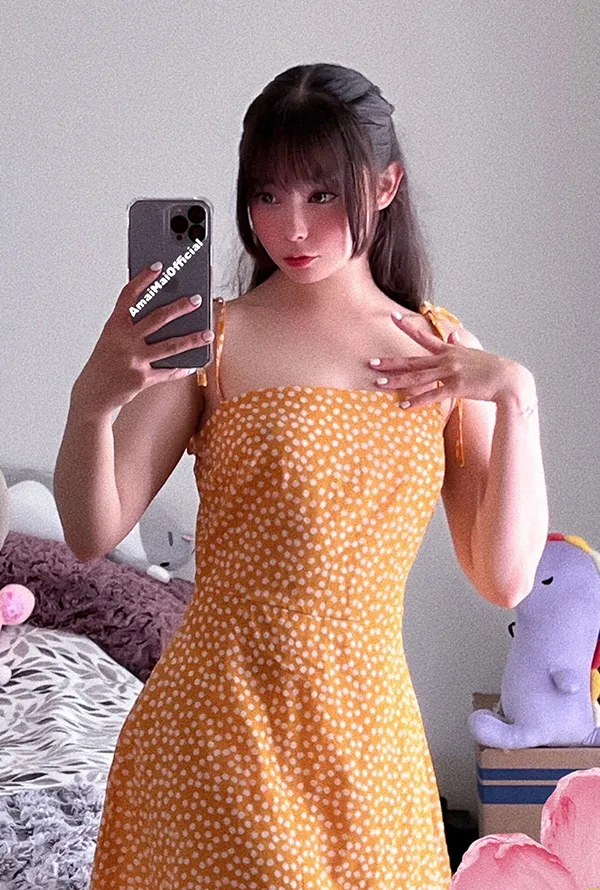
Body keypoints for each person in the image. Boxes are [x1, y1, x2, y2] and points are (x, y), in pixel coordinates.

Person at [54, 62, 548, 890]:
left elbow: (505, 580)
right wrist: (91, 403)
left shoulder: (443, 352)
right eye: (267, 194)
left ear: (385, 185)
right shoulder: (215, 341)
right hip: (220, 730)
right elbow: (89, 531)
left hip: (371, 749)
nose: (292, 225)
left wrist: (517, 398)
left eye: (322, 194)